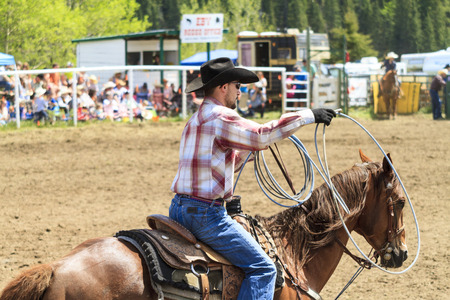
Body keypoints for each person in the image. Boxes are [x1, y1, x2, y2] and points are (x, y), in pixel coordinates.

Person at [169, 57, 336, 300]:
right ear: (223, 87)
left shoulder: (194, 120)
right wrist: (308, 115)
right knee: (263, 269)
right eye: (238, 85)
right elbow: (261, 134)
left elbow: (225, 164)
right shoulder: (221, 117)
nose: (240, 91)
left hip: (179, 208)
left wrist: (250, 149)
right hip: (206, 215)